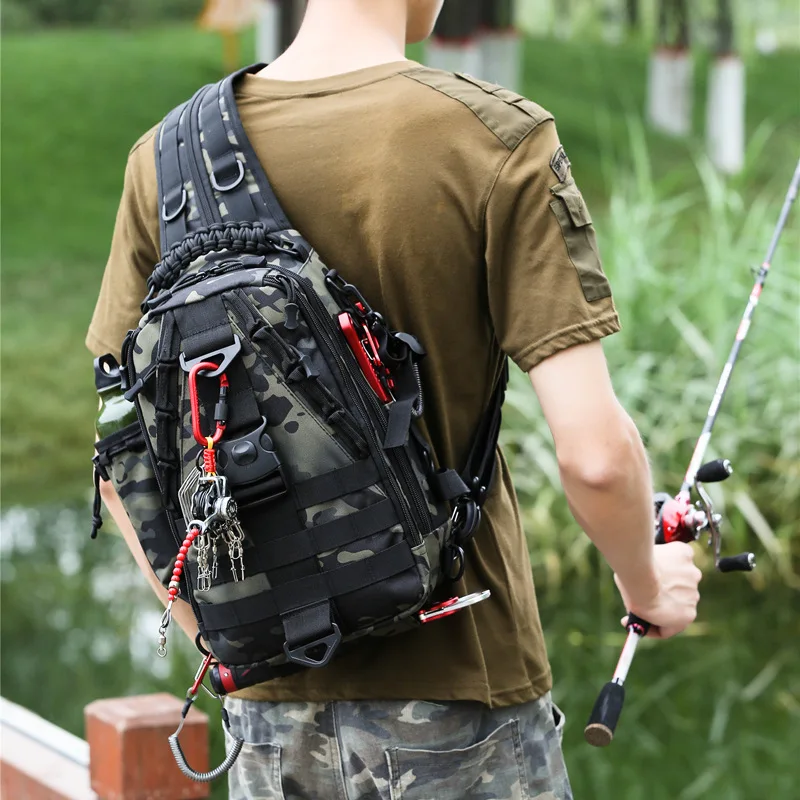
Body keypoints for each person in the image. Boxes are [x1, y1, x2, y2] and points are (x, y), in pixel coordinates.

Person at [87, 1, 703, 798]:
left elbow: (120, 457)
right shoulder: (494, 136)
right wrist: (646, 581)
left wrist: (233, 639)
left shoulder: (165, 158)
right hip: (462, 700)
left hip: (266, 733)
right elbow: (591, 454)